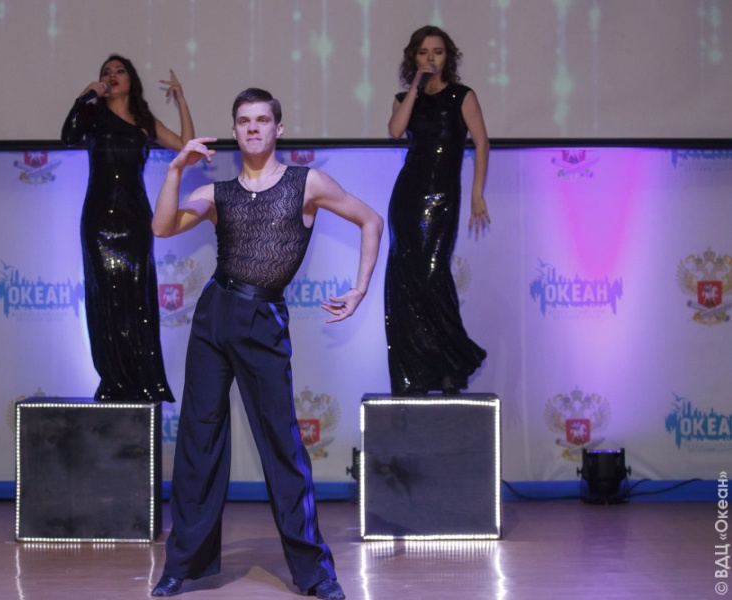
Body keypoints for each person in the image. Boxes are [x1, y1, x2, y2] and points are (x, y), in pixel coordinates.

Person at [149, 88, 383, 599]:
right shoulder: (217, 193)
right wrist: (175, 170)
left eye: (261, 120)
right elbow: (162, 227)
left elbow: (372, 220)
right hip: (214, 314)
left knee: (281, 444)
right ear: (235, 131)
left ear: (278, 128)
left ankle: (316, 574)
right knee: (198, 441)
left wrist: (360, 288)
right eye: (243, 121)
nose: (252, 128)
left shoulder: (307, 183)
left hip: (262, 319)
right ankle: (181, 566)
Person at [61, 54, 194, 403]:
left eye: (119, 71)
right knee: (105, 299)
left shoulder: (145, 121)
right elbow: (68, 136)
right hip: (98, 220)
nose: (112, 75)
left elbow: (188, 149)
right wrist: (84, 96)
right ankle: (113, 379)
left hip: (135, 219)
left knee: (136, 299)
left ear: (131, 79)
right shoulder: (92, 116)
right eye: (106, 72)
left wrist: (181, 100)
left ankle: (140, 381)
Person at [385, 26, 491, 396]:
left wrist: (477, 194)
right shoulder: (405, 98)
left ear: (449, 56)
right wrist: (416, 85)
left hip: (444, 197)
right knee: (405, 281)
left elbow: (481, 143)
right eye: (423, 52)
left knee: (433, 275)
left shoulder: (462, 96)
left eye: (438, 52)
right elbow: (395, 131)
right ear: (413, 57)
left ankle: (452, 361)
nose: (431, 58)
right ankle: (417, 372)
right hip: (407, 198)